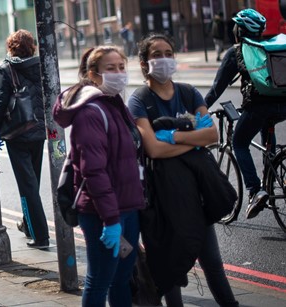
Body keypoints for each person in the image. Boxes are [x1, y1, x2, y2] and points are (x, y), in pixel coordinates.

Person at [127, 33, 238, 307]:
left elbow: (211, 134)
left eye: (168, 53)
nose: (164, 59)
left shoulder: (189, 92)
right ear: (144, 64)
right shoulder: (139, 100)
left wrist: (171, 136)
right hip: (161, 197)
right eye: (156, 55)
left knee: (212, 261)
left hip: (196, 192)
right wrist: (192, 139)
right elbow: (152, 150)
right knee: (169, 267)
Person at [53, 45, 145, 306]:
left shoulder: (115, 104)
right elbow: (94, 171)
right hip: (102, 214)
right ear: (93, 75)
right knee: (100, 279)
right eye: (110, 68)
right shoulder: (91, 112)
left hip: (128, 208)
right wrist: (111, 219)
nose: (119, 73)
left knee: (122, 278)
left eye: (121, 67)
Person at [205, 8, 284, 220]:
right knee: (268, 128)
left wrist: (200, 109)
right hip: (283, 105)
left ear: (239, 30)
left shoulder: (236, 52)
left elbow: (216, 89)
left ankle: (255, 190)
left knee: (239, 143)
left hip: (258, 106)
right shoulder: (269, 47)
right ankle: (274, 174)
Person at [0, 29, 49, 249]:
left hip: (17, 133)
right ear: (32, 46)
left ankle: (40, 236)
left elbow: (0, 102)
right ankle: (28, 225)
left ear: (11, 47)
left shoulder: (6, 69)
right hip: (39, 131)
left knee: (27, 187)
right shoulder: (42, 65)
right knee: (33, 181)